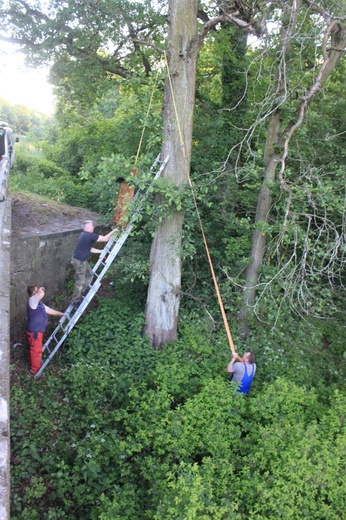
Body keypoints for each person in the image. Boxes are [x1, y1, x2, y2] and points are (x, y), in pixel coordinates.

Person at [70, 220, 118, 305]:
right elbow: (104, 239)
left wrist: (101, 251)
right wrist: (114, 231)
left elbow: (89, 249)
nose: (93, 227)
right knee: (80, 281)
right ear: (88, 228)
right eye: (92, 226)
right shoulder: (88, 235)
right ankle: (75, 300)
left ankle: (81, 292)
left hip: (80, 260)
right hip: (79, 261)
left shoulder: (84, 235)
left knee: (89, 274)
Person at [26, 286, 64, 374]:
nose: (39, 291)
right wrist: (40, 289)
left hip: (37, 331)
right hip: (34, 331)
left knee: (35, 349)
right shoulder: (32, 300)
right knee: (36, 351)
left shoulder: (39, 303)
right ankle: (35, 370)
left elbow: (48, 310)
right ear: (33, 292)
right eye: (37, 290)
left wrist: (59, 313)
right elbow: (41, 294)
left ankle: (34, 366)